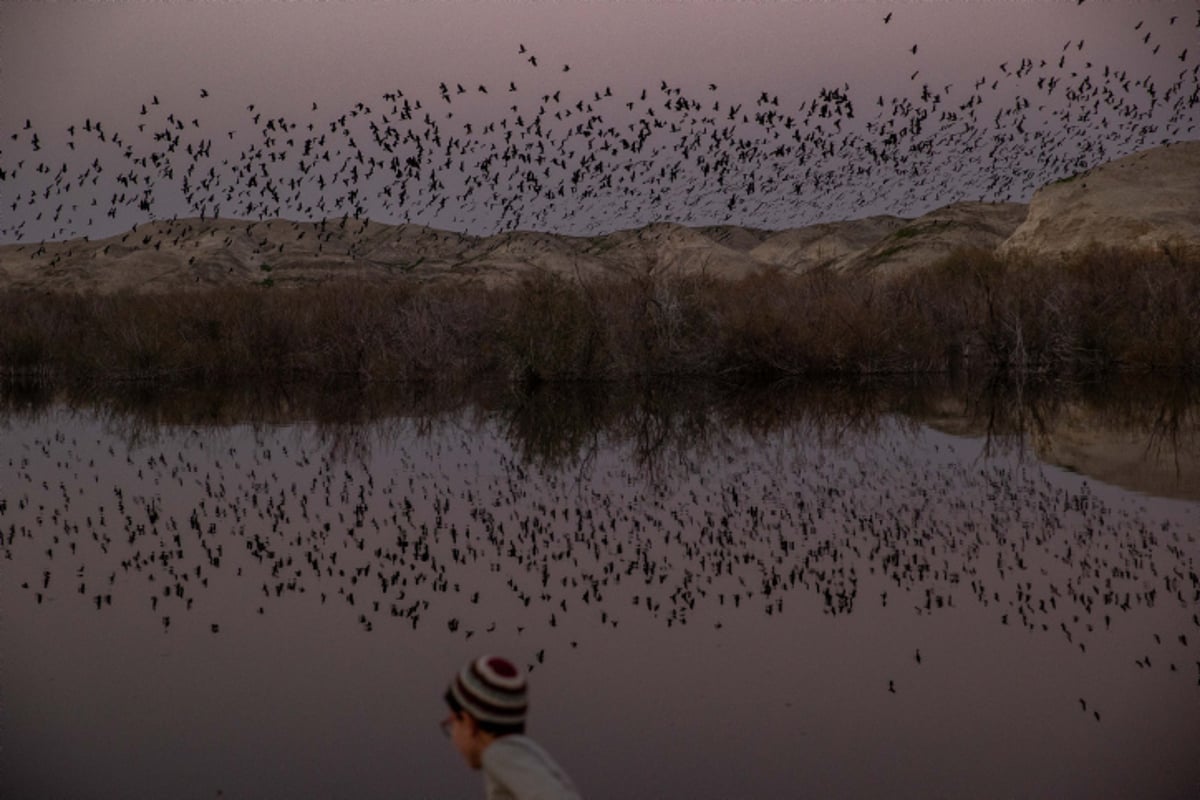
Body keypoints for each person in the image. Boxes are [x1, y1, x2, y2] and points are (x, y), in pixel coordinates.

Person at [442, 654, 582, 800]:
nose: (453, 735)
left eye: (451, 723)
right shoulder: (525, 754)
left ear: (467, 721)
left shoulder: (500, 754)